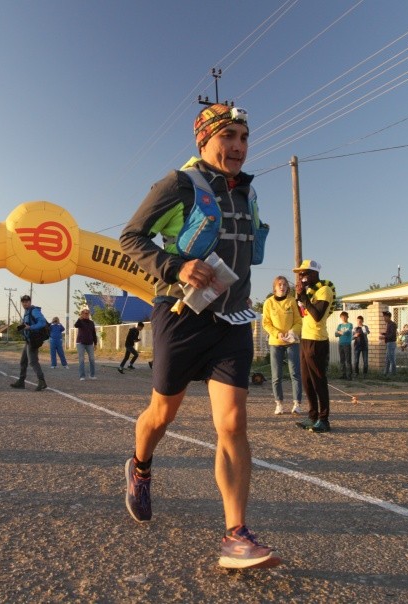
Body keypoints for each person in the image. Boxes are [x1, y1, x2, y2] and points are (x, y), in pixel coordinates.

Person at [119, 103, 280, 569]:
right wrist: (176, 265)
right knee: (162, 413)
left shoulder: (248, 194)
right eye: (228, 135)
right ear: (204, 140)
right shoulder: (178, 184)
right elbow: (132, 237)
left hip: (232, 319)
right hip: (180, 314)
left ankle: (236, 534)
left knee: (232, 424)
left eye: (244, 137)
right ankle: (141, 467)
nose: (238, 146)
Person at [295, 259, 336, 433]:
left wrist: (304, 298)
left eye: (305, 273)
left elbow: (317, 315)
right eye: (300, 274)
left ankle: (324, 419)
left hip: (317, 340)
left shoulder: (324, 290)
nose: (302, 276)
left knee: (319, 380)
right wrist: (300, 296)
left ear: (314, 273)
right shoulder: (310, 291)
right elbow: (303, 314)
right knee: (306, 381)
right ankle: (312, 417)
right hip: (305, 338)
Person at [261, 276, 302, 415]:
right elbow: (266, 323)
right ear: (274, 287)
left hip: (292, 342)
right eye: (279, 285)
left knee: (295, 373)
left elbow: (298, 321)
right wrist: (277, 333)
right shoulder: (268, 302)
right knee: (276, 375)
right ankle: (279, 404)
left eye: (284, 284)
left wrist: (292, 332)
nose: (282, 287)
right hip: (276, 342)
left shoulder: (291, 301)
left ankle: (297, 404)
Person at [9, 294, 48, 391]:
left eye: (27, 302)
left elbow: (42, 322)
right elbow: (28, 324)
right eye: (23, 302)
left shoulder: (34, 311)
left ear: (30, 302)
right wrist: (22, 327)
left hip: (34, 340)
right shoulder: (27, 312)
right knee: (23, 361)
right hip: (28, 340)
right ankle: (21, 382)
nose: (25, 303)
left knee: (33, 361)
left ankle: (42, 381)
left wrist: (30, 327)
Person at [74, 307, 97, 380]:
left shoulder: (91, 323)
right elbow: (76, 325)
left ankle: (92, 375)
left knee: (92, 359)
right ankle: (82, 376)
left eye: (87, 313)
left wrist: (95, 343)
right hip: (80, 343)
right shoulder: (80, 321)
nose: (86, 314)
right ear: (82, 314)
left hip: (89, 343)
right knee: (81, 359)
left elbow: (94, 333)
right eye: (85, 313)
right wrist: (80, 318)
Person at [335, 311, 353, 380]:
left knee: (348, 360)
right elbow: (336, 334)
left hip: (347, 344)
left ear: (347, 317)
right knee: (342, 360)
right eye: (342, 317)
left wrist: (340, 332)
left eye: (345, 317)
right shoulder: (339, 325)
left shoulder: (350, 325)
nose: (343, 318)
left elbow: (348, 332)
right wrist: (341, 333)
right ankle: (343, 374)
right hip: (341, 344)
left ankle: (349, 375)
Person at [381, 310, 397, 375]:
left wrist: (384, 337)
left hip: (391, 343)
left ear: (388, 317)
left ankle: (393, 373)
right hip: (389, 343)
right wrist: (384, 334)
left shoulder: (392, 324)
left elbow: (392, 335)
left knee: (391, 358)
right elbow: (389, 333)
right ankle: (386, 373)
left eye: (385, 317)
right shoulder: (388, 324)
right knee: (387, 359)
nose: (384, 318)